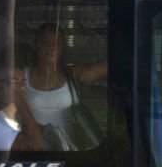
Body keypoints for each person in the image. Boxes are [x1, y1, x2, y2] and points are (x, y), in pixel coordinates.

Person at [24, 22, 107, 150]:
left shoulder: (73, 75)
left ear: (62, 48)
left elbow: (102, 68)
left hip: (69, 153)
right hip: (34, 151)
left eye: (57, 43)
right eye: (45, 42)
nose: (51, 48)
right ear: (36, 44)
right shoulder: (22, 77)